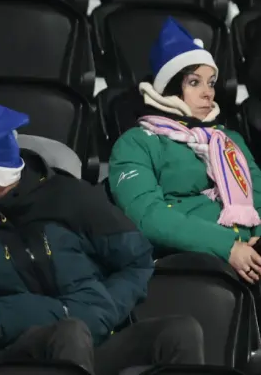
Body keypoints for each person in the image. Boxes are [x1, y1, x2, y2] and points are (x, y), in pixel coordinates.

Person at [0, 103, 204, 375]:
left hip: (96, 337)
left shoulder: (68, 197)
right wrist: (58, 312)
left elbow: (137, 260)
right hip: (17, 351)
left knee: (179, 332)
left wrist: (103, 310)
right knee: (69, 332)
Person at [110, 18, 261, 283]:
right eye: (194, 83)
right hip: (185, 267)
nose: (208, 93)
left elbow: (258, 196)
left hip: (250, 257)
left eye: (211, 83)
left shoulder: (229, 139)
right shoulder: (136, 142)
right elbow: (147, 216)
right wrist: (228, 247)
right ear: (169, 87)